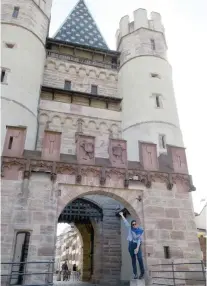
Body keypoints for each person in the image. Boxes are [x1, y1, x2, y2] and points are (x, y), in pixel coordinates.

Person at [119, 211, 145, 279]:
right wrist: (122, 215)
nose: (134, 225)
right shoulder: (130, 228)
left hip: (137, 245)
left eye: (135, 224)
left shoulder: (140, 230)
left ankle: (142, 273)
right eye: (133, 224)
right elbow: (125, 222)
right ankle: (135, 274)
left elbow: (139, 240)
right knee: (133, 260)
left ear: (137, 224)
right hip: (131, 245)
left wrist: (137, 248)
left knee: (139, 258)